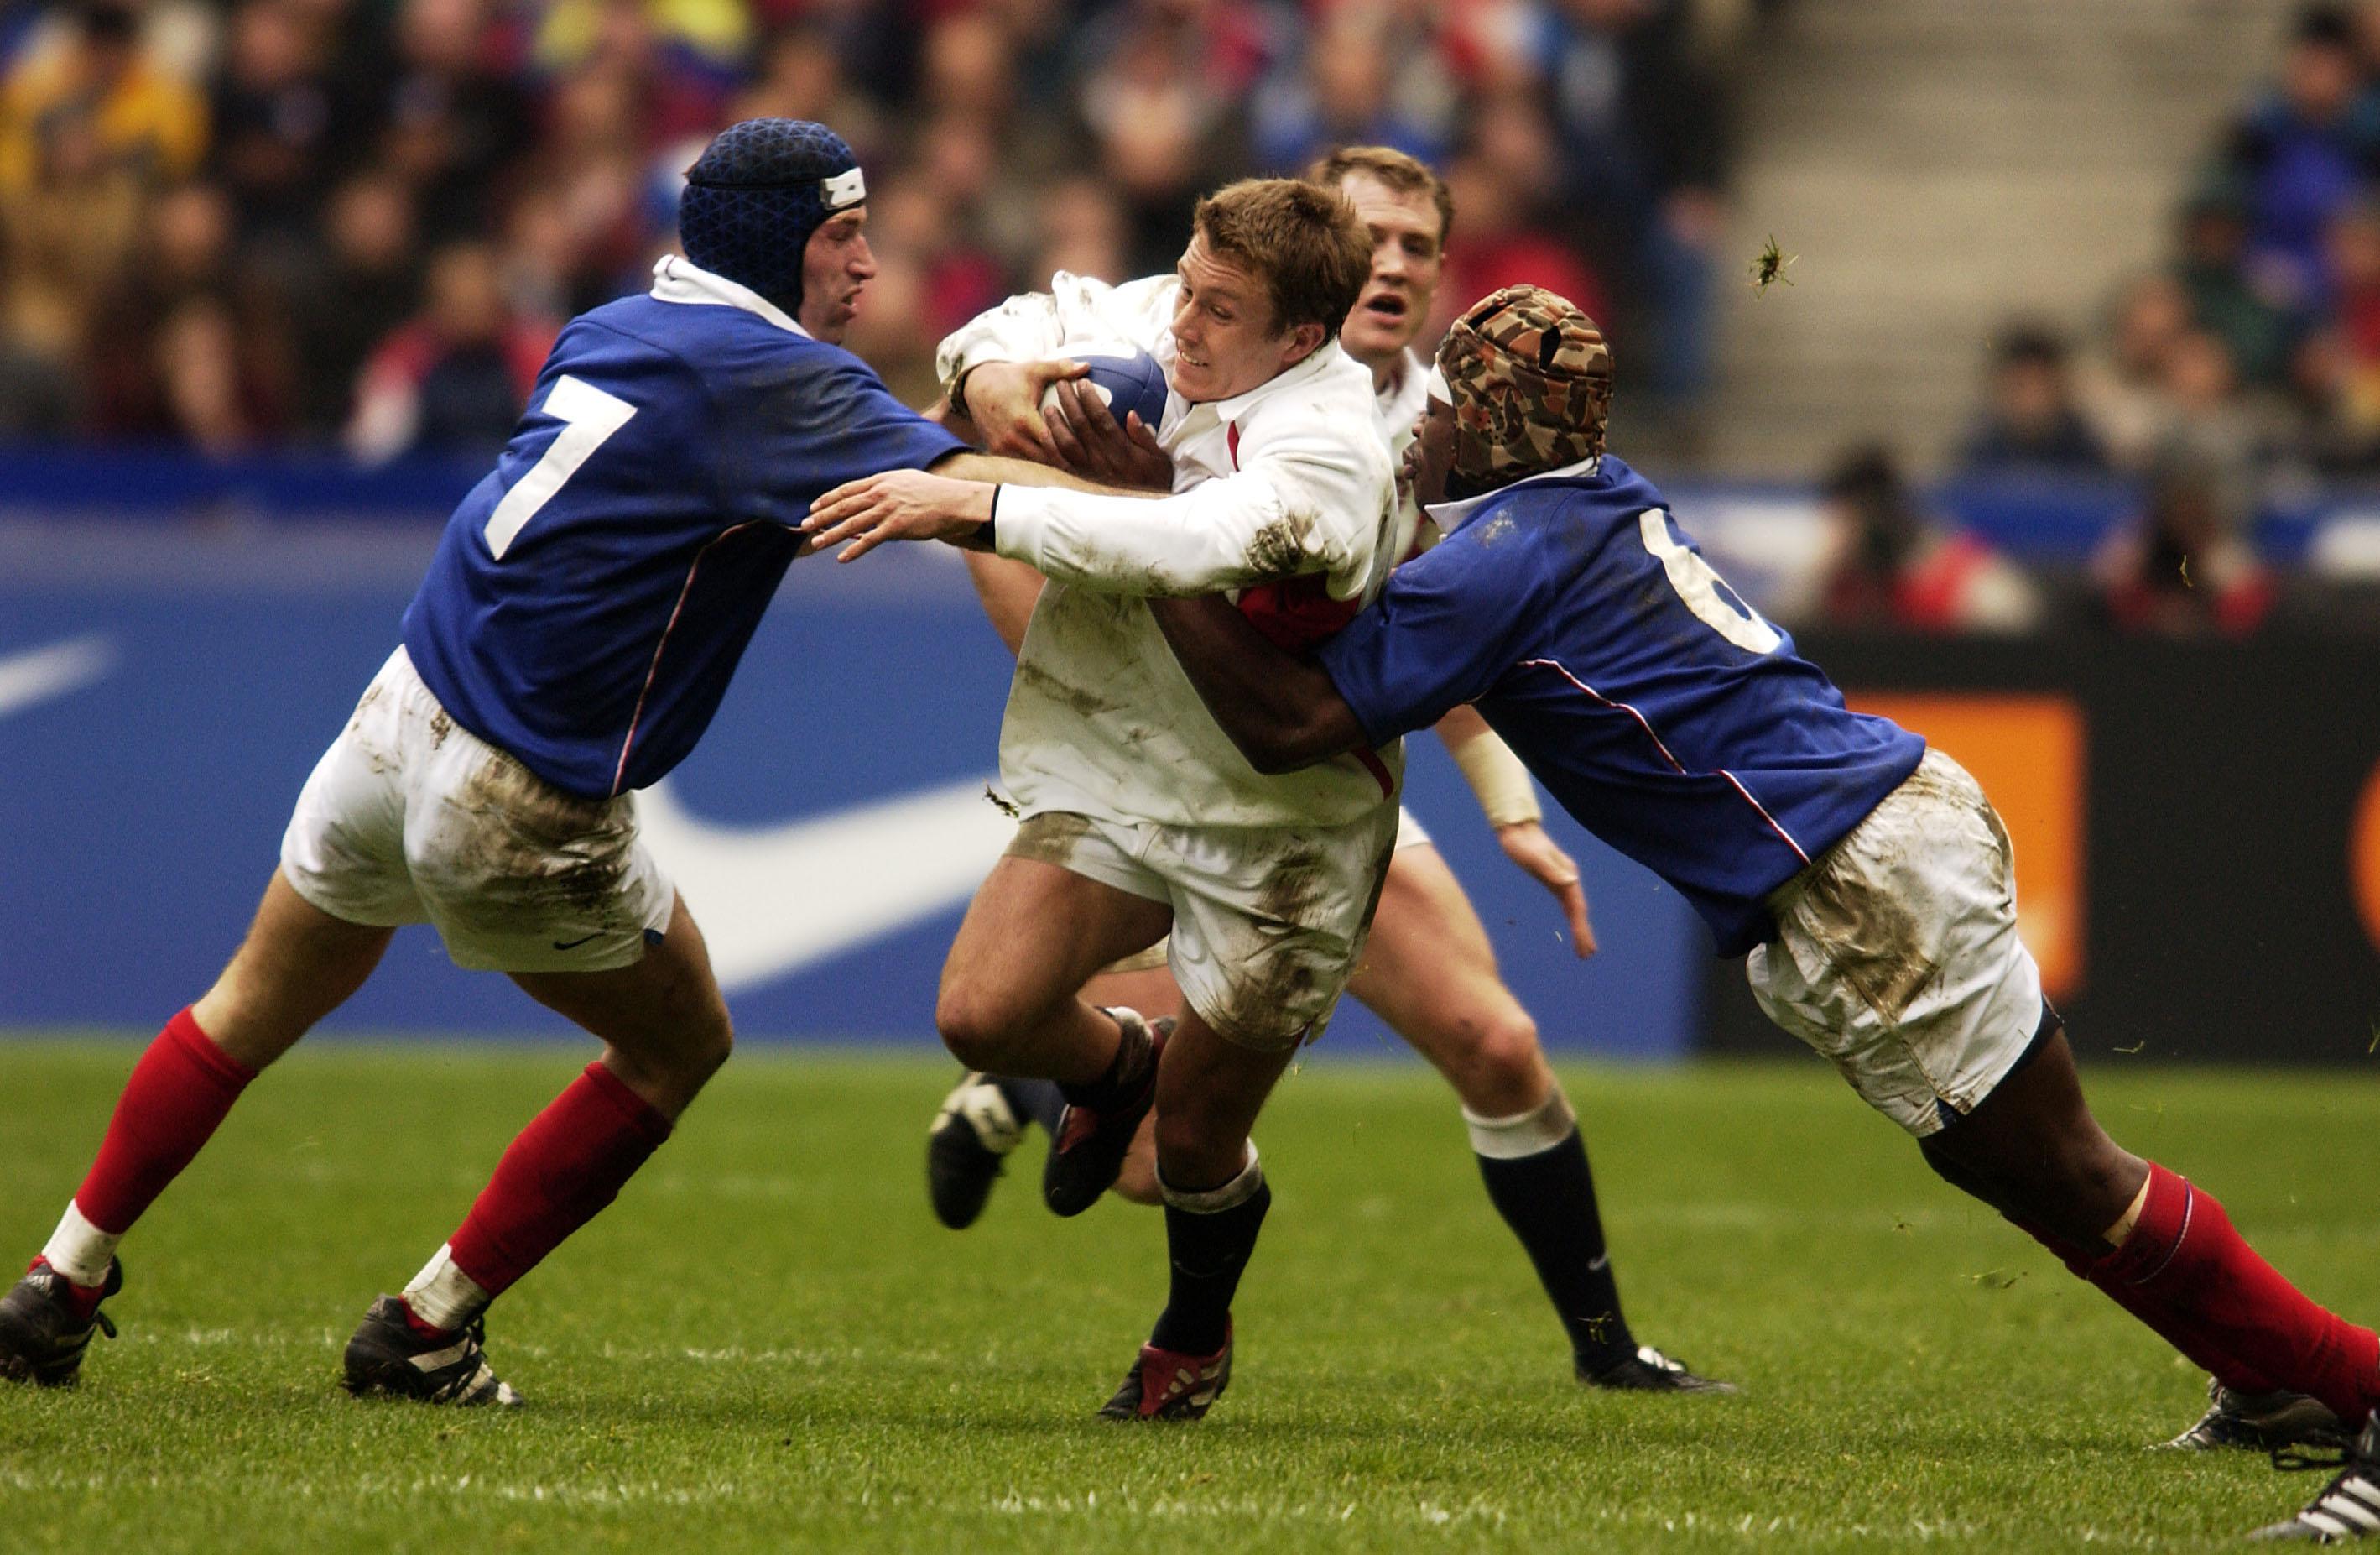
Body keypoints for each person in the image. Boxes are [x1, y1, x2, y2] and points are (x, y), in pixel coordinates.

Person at [813, 284, 2380, 1540]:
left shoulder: (1505, 549)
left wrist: (1151, 541)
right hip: (1862, 838)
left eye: (1447, 402)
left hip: (1848, 867)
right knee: (2020, 1166)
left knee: (2059, 1167)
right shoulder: (1570, 504)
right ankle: (2271, 1379)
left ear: (1491, 424)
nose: (1418, 421)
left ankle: (2352, 1393)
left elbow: (1293, 723)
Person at [0, 118, 1080, 1406]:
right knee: (681, 1044)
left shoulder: (618, 324)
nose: (867, 264)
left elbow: (738, 500)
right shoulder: (776, 379)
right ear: (782, 246)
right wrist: (1224, 514)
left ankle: (57, 1280)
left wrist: (953, 408)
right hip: (517, 788)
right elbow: (978, 498)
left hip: (397, 714)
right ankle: (426, 1326)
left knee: (247, 1005)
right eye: (843, 236)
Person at [924, 145, 1725, 1395]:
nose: (1389, 260)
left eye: (1413, 242)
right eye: (1368, 233)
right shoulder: (1181, 325)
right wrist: (985, 394)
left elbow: (1437, 643)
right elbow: (1000, 364)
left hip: (1312, 778)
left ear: (1430, 271)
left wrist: (1509, 808)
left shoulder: (1431, 433)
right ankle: (1038, 1090)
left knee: (1488, 1044)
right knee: (1058, 1064)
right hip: (1168, 755)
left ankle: (1604, 1347)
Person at [805, 175, 1402, 1422]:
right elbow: (1010, 321)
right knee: (981, 1011)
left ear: (1300, 337)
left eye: (1218, 311)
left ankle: (1190, 1334)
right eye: (1185, 285)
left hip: (1283, 820)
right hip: (1126, 756)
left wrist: (973, 500)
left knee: (1186, 1150)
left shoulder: (1334, 445)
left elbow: (1184, 546)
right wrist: (993, 386)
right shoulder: (1163, 318)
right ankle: (1115, 1060)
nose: (1181, 326)